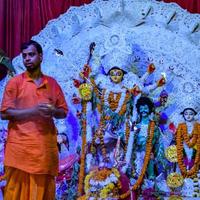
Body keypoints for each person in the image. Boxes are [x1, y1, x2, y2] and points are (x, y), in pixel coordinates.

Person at [0, 40, 68, 200]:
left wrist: (53, 111)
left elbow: (63, 112)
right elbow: (4, 113)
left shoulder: (52, 84)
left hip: (44, 152)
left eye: (31, 55)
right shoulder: (15, 83)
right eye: (24, 56)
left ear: (41, 56)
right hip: (19, 152)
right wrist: (32, 111)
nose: (27, 59)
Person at [123, 96, 167, 199]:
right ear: (138, 109)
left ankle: (150, 194)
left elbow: (158, 144)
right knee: (136, 175)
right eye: (141, 108)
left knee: (150, 176)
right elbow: (128, 141)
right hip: (137, 156)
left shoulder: (155, 127)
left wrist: (156, 156)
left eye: (145, 107)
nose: (143, 110)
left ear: (150, 109)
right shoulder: (135, 126)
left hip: (149, 156)